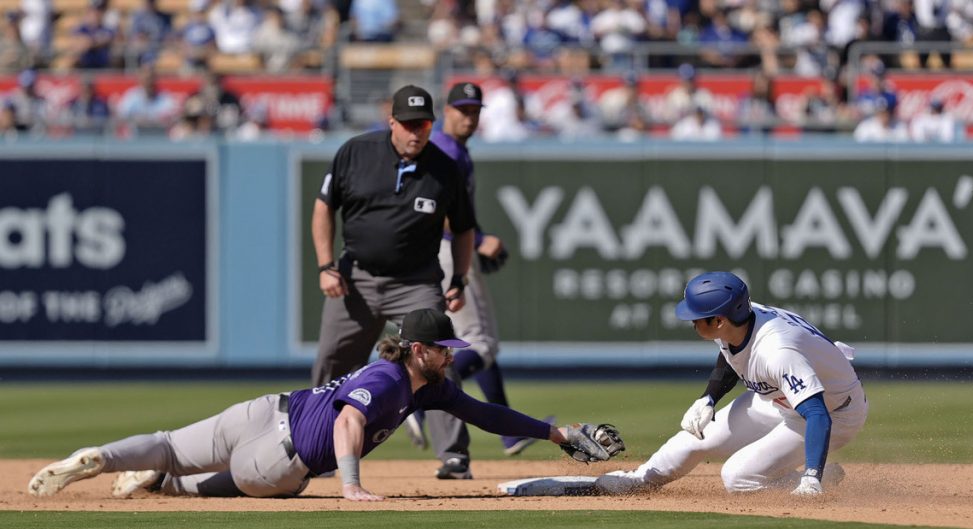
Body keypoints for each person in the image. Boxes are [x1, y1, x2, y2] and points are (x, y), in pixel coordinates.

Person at [28, 309, 624, 502]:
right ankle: (163, 484)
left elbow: (489, 416)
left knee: (167, 442)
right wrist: (352, 486)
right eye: (444, 349)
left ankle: (103, 458)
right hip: (279, 462)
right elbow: (351, 419)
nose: (452, 356)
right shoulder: (394, 379)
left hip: (265, 410)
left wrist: (557, 433)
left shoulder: (429, 382)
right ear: (419, 349)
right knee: (214, 484)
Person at [312, 84, 476, 479]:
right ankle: (315, 450)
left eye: (422, 124)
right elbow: (324, 208)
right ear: (392, 122)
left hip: (416, 281)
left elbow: (466, 228)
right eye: (408, 124)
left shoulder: (444, 167)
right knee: (332, 362)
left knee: (436, 358)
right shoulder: (356, 152)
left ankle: (454, 455)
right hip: (358, 278)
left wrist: (460, 277)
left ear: (431, 124)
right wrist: (325, 265)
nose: (415, 132)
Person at [596, 271, 868, 497]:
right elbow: (732, 353)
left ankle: (809, 478)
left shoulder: (777, 352)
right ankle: (640, 480)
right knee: (692, 439)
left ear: (718, 320)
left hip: (834, 412)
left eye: (696, 317)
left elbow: (817, 414)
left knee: (738, 477)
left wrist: (812, 477)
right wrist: (709, 398)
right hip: (777, 399)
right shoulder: (736, 322)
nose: (691, 322)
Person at [409, 81, 549, 462]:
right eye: (462, 110)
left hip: (447, 248)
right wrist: (479, 239)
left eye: (475, 111)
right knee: (480, 342)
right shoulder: (442, 150)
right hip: (445, 250)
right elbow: (430, 208)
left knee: (479, 337)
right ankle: (415, 398)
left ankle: (509, 434)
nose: (469, 118)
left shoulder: (455, 150)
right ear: (446, 112)